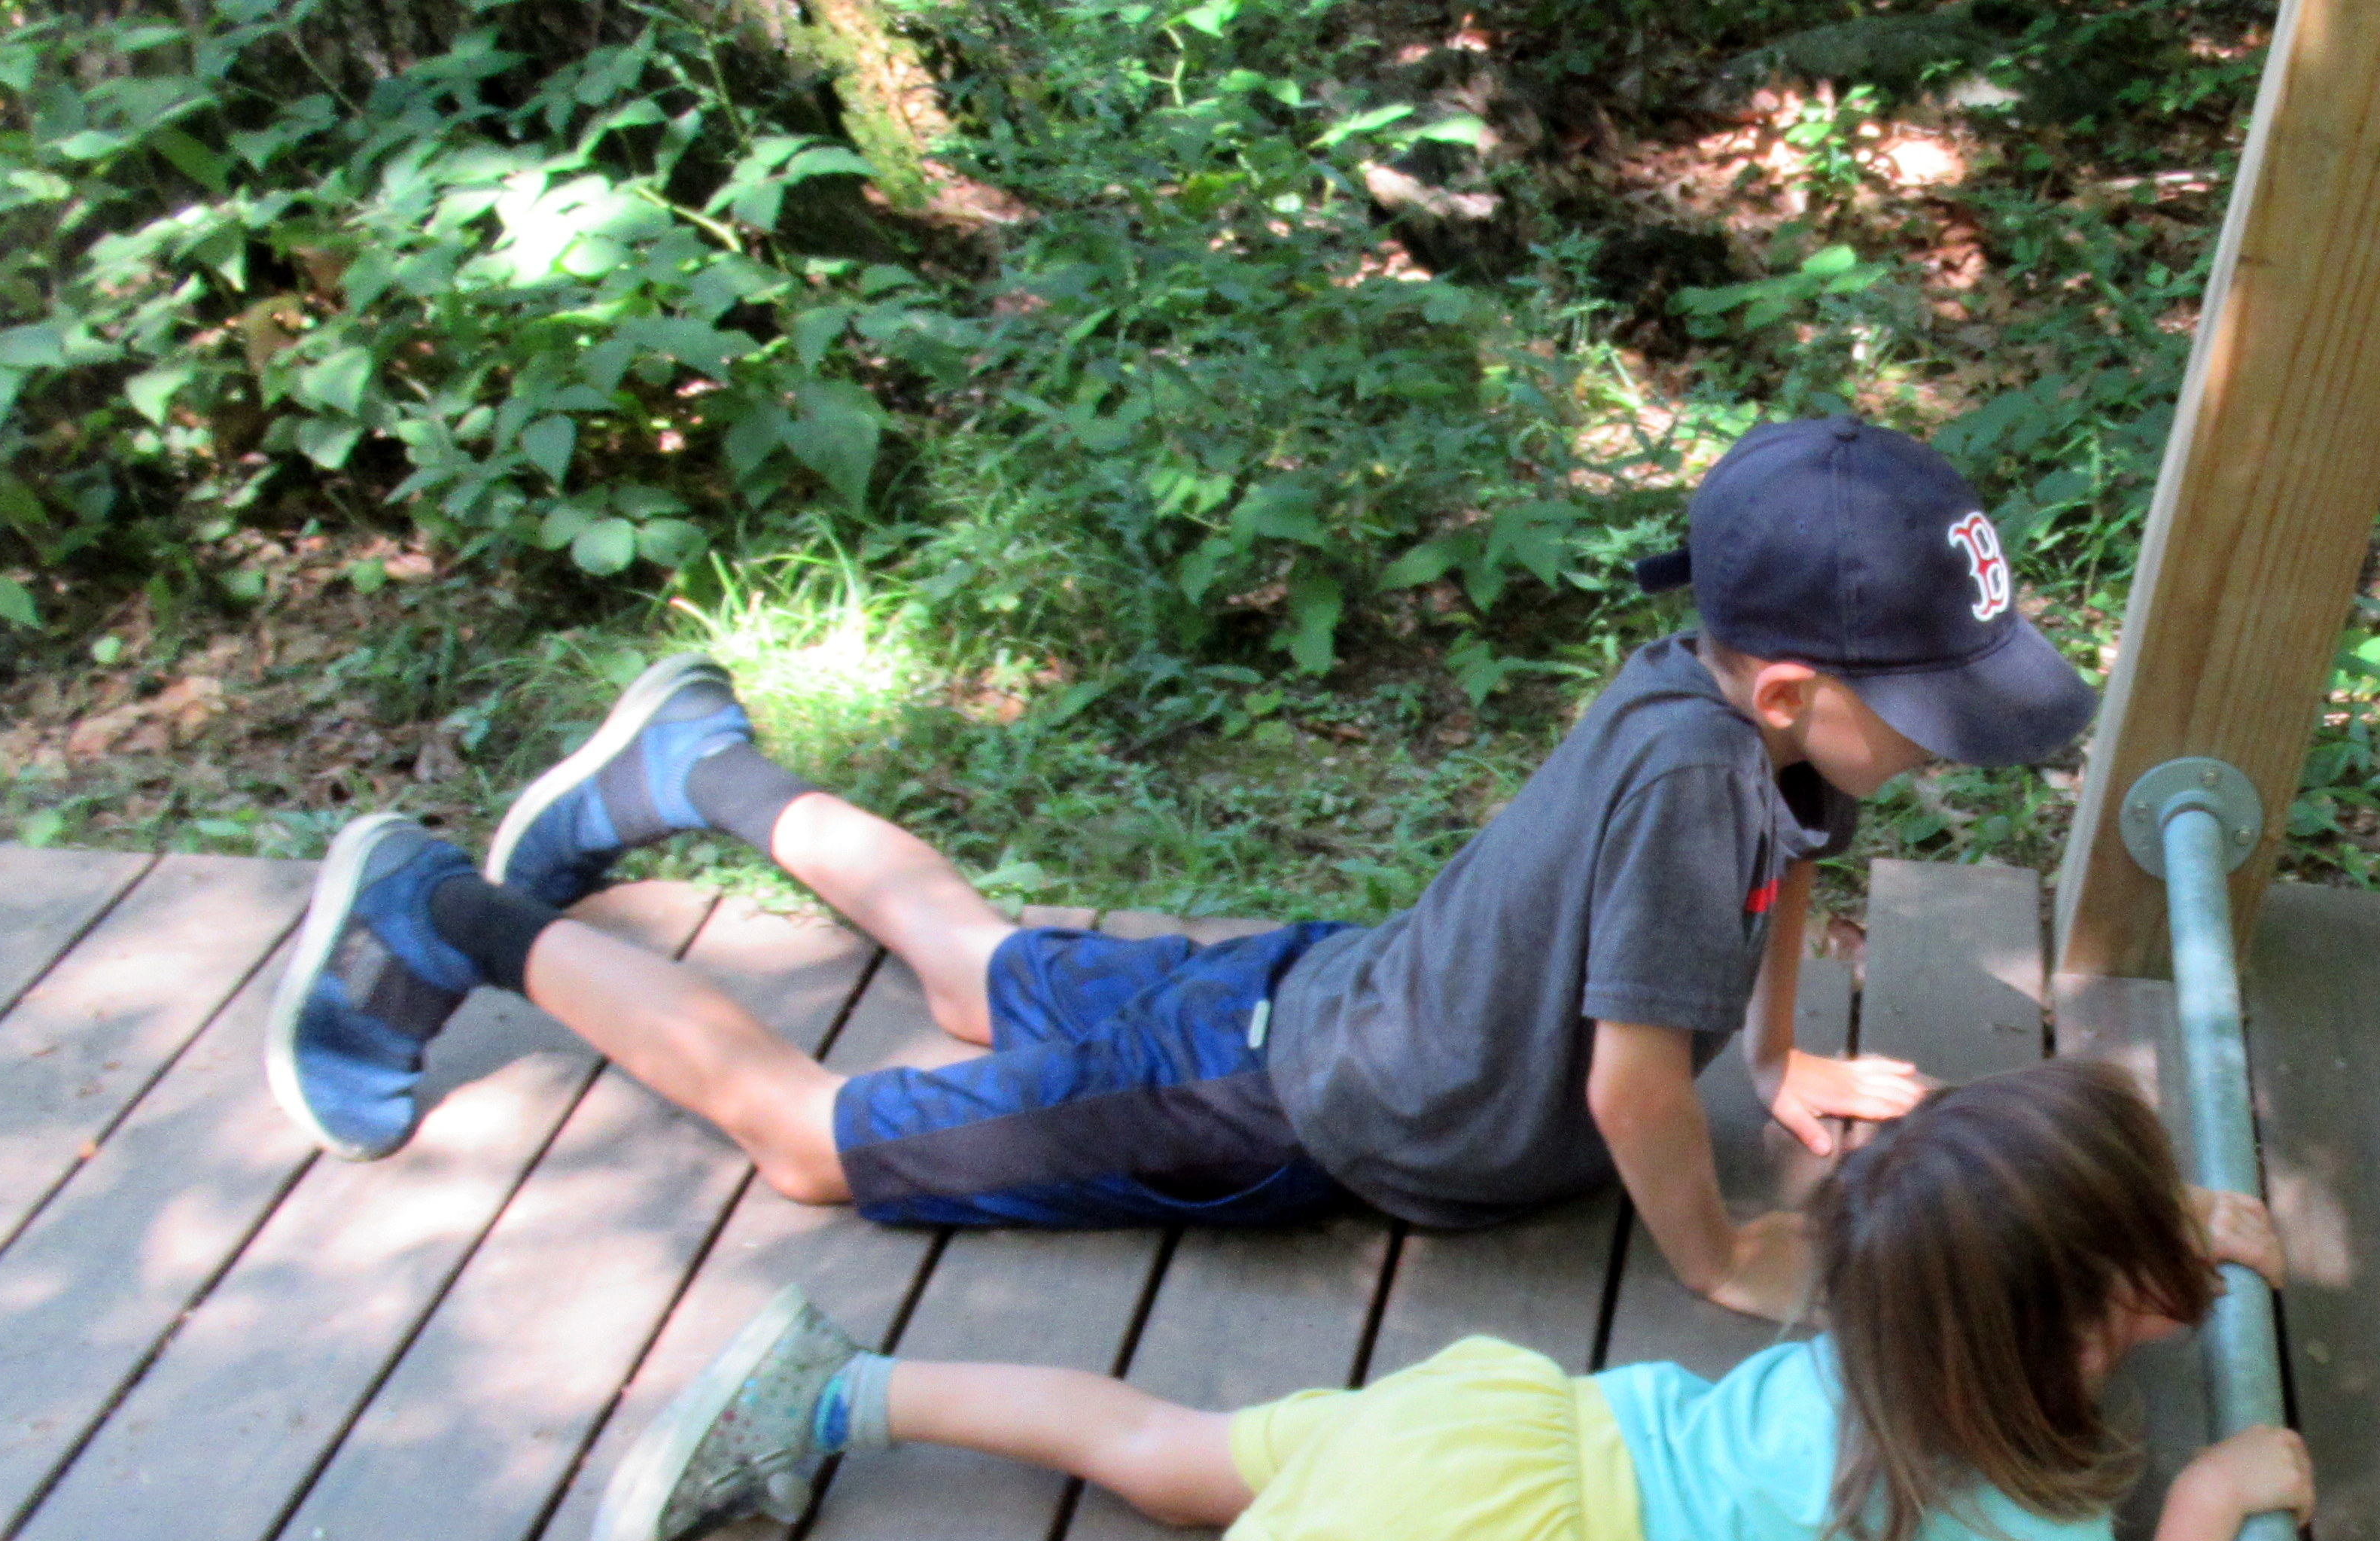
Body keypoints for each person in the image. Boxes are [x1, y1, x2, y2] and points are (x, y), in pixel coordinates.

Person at [264, 419, 2100, 1320]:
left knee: (973, 965)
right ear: (1788, 688)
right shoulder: (1703, 783)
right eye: (1929, 711)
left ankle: (688, 763)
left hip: (1323, 990)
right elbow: (1629, 1090)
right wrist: (1711, 1257)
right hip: (1293, 1107)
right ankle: (436, 907)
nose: (1945, 744)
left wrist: (1774, 1064)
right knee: (813, 1144)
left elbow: (1789, 875)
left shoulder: (1744, 723)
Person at [470, 1058, 2312, 1541]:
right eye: (2149, 1254)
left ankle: (838, 1390)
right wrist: (2215, 1497)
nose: (2182, 1260)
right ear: (2075, 1314)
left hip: (1513, 1436)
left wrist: (2171, 1234)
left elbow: (2012, 1242)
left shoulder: (1911, 1293)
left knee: (1172, 1448)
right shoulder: (2007, 1483)